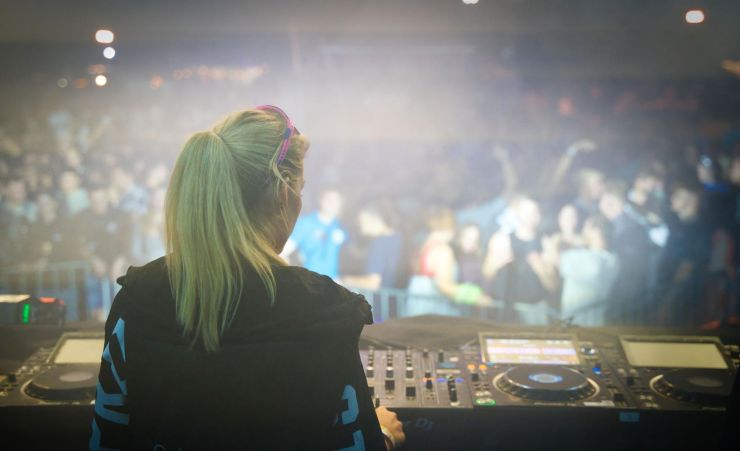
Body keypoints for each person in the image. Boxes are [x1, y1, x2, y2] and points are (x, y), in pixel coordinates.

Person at [90, 106, 404, 451]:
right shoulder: (325, 311)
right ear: (284, 194)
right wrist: (383, 436)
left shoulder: (136, 302)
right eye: (301, 190)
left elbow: (108, 440)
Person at [483, 195, 559, 324]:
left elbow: (554, 287)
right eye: (527, 212)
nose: (531, 216)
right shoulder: (501, 239)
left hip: (535, 312)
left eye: (535, 212)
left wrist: (541, 269)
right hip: (504, 311)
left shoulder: (546, 243)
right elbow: (486, 274)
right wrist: (497, 263)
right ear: (518, 213)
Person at [406, 208, 492, 317]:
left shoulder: (424, 246)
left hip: (416, 307)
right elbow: (443, 285)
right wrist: (474, 296)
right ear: (450, 227)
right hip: (433, 310)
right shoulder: (443, 250)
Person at [559, 215, 620, 326]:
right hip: (599, 324)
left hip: (573, 326)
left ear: (596, 231)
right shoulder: (614, 260)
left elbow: (555, 259)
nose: (582, 231)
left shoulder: (581, 257)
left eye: (585, 227)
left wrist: (556, 242)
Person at [282, 188, 347, 280]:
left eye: (336, 201)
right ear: (320, 200)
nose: (332, 203)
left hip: (332, 283)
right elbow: (282, 252)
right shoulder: (305, 223)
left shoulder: (341, 227)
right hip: (308, 283)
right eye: (328, 199)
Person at [341, 204, 403, 290]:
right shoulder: (398, 238)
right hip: (397, 296)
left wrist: (345, 280)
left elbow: (372, 283)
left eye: (361, 221)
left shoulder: (378, 243)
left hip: (379, 297)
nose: (358, 225)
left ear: (373, 220)